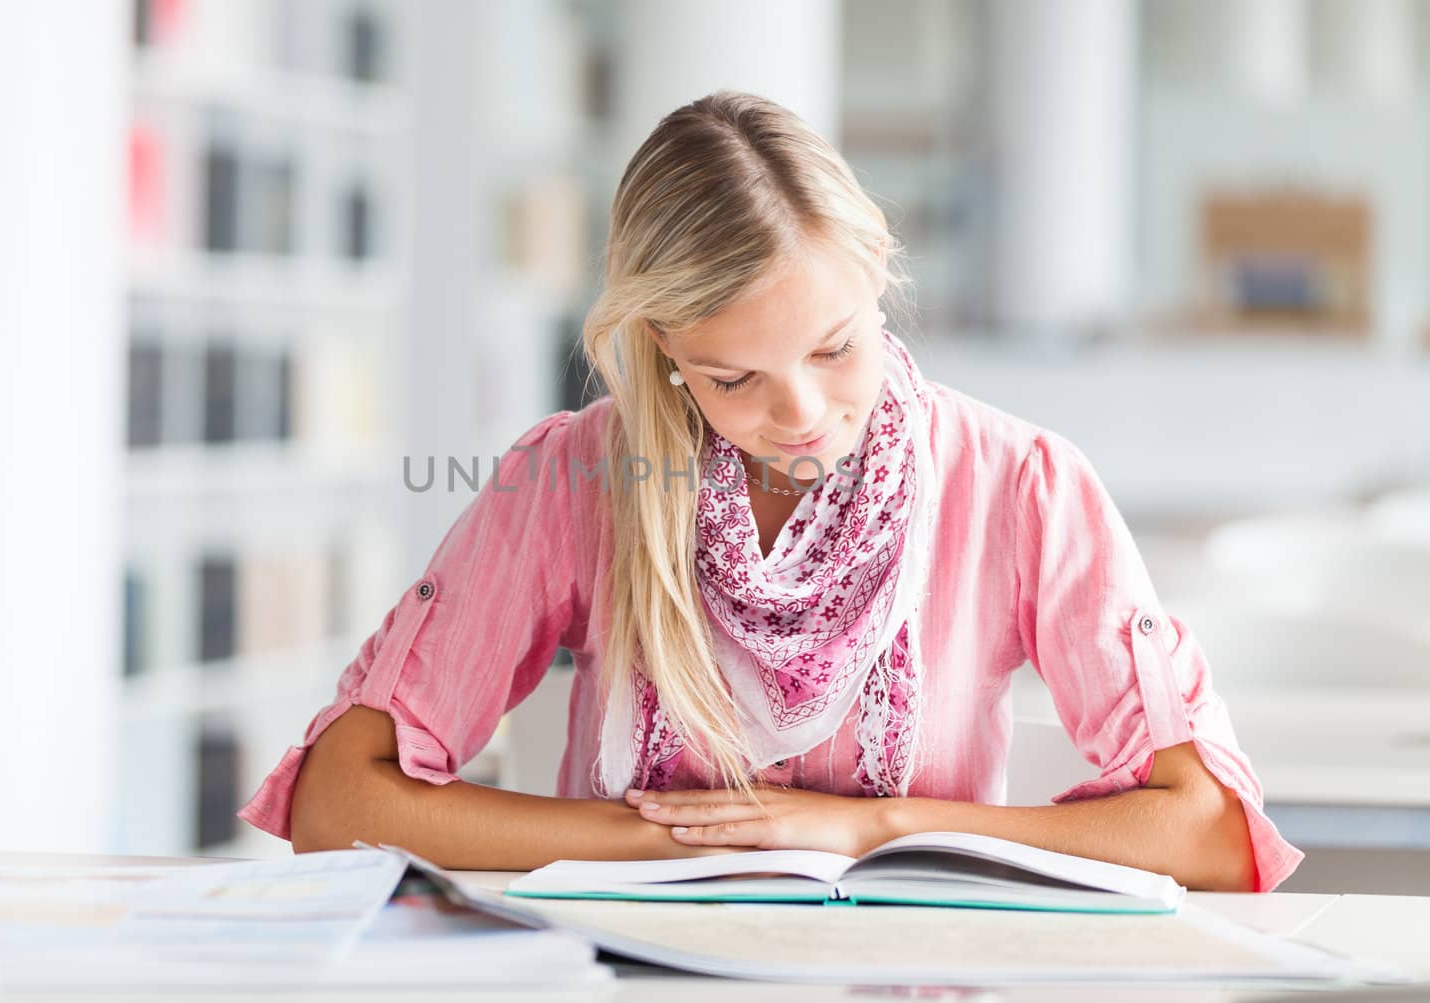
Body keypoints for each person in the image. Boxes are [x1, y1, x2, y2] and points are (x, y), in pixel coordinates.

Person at [239, 91, 1301, 891]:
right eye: (731, 376)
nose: (798, 413)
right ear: (662, 350)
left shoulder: (1024, 485)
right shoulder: (574, 477)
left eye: (835, 349)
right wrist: (682, 838)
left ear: (877, 269)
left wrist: (870, 826)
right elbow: (340, 799)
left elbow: (1204, 826)